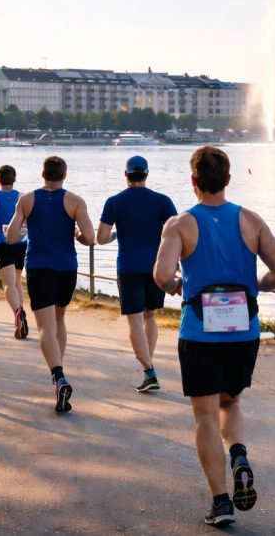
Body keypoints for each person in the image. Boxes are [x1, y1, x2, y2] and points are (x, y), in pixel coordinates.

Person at [153, 145, 275, 527]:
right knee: (230, 402)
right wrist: (253, 286)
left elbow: (162, 275)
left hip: (199, 332)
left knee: (205, 416)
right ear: (228, 180)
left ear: (193, 181)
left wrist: (177, 283)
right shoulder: (251, 220)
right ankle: (240, 455)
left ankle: (221, 502)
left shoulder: (179, 224)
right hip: (243, 330)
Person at [6, 155, 95, 413]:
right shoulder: (75, 201)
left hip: (39, 268)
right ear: (64, 176)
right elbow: (90, 237)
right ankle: (59, 372)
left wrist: (19, 226)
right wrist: (76, 234)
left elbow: (11, 237)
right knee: (59, 320)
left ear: (42, 174)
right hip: (67, 268)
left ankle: (58, 376)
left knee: (45, 327)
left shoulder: (26, 199)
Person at [97, 155, 177, 392]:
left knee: (134, 319)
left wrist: (116, 234)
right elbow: (177, 231)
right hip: (156, 266)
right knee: (149, 315)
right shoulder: (162, 201)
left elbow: (100, 238)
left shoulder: (114, 202)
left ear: (126, 175)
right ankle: (147, 367)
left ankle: (149, 370)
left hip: (128, 267)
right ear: (147, 175)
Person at [0, 164, 29, 339]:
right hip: (21, 243)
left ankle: (18, 312)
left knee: (9, 284)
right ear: (14, 179)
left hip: (2, 244)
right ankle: (22, 312)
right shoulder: (22, 197)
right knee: (17, 282)